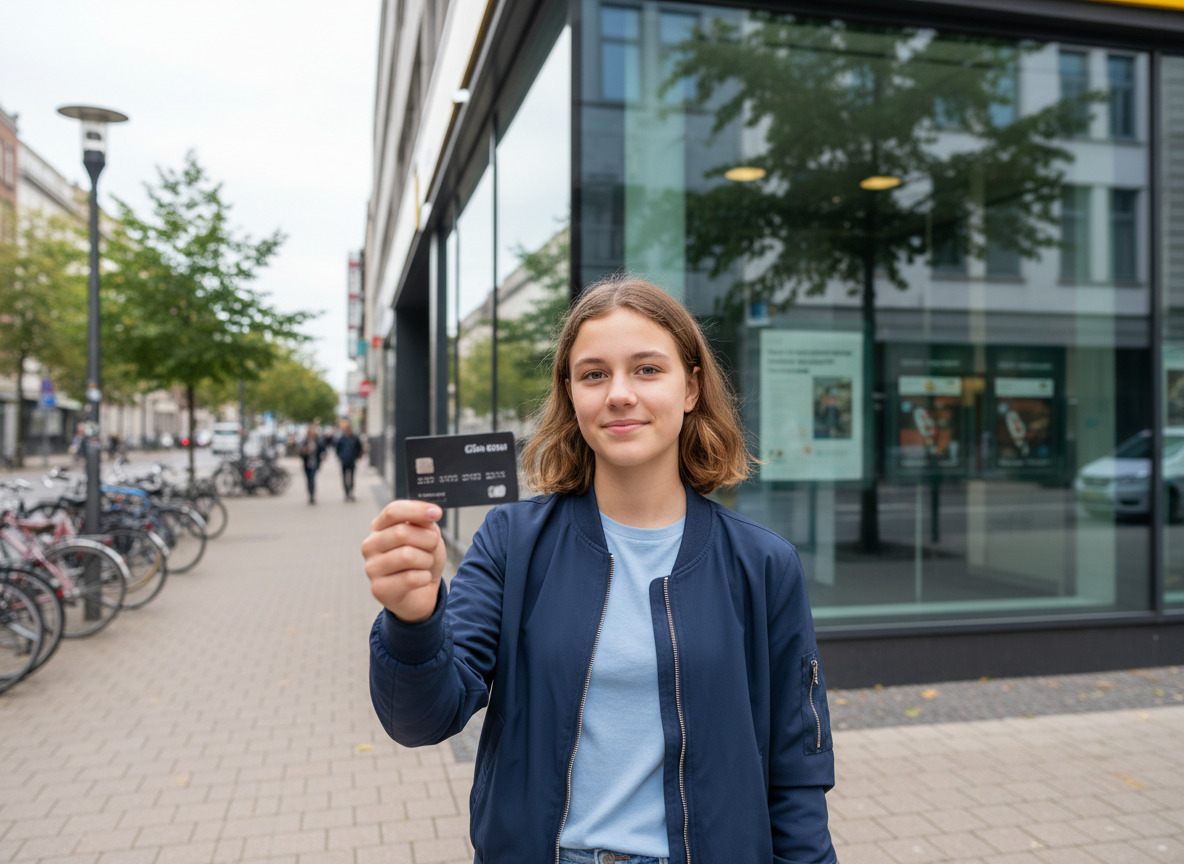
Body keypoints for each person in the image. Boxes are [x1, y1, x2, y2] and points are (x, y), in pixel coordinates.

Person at [362, 276, 837, 864]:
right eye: (593, 374)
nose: (618, 393)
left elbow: (796, 769)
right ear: (571, 395)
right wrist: (413, 619)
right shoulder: (513, 543)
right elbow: (423, 719)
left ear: (690, 388)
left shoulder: (763, 562)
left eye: (646, 369)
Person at [334, 419, 365, 501]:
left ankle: (351, 491)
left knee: (351, 477)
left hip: (352, 460)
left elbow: (359, 448)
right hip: (344, 460)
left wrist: (357, 456)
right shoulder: (342, 438)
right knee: (344, 477)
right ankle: (346, 492)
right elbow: (337, 449)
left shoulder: (354, 437)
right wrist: (341, 457)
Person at [299, 425, 326, 504]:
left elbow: (322, 450)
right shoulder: (304, 442)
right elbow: (300, 453)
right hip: (307, 464)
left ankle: (312, 495)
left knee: (312, 479)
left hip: (315, 463)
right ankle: (310, 494)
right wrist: (304, 452)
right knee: (308, 480)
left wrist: (323, 458)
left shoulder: (318, 441)